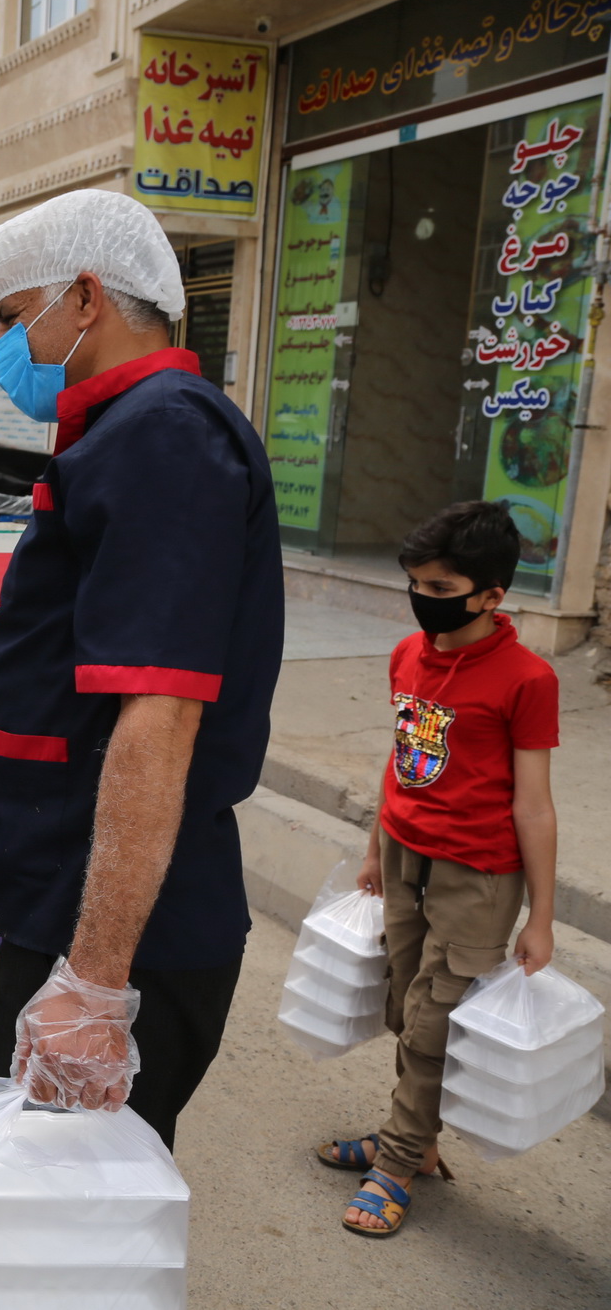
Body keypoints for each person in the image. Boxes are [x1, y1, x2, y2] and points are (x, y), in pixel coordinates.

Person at [0, 188, 284, 1148]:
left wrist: (94, 982)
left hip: (118, 940)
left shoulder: (164, 433)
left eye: (13, 319)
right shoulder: (127, 429)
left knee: (73, 1223)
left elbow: (159, 717)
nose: (4, 348)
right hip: (73, 902)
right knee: (55, 1208)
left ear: (85, 298)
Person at [316, 501, 559, 1238]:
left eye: (442, 586)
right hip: (402, 854)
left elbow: (536, 805)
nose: (424, 597)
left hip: (478, 875)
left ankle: (394, 1160)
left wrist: (541, 916)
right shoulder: (407, 655)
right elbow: (402, 759)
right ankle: (415, 1139)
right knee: (401, 1006)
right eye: (416, 582)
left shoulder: (528, 679)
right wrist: (373, 847)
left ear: (492, 594)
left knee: (431, 1026)